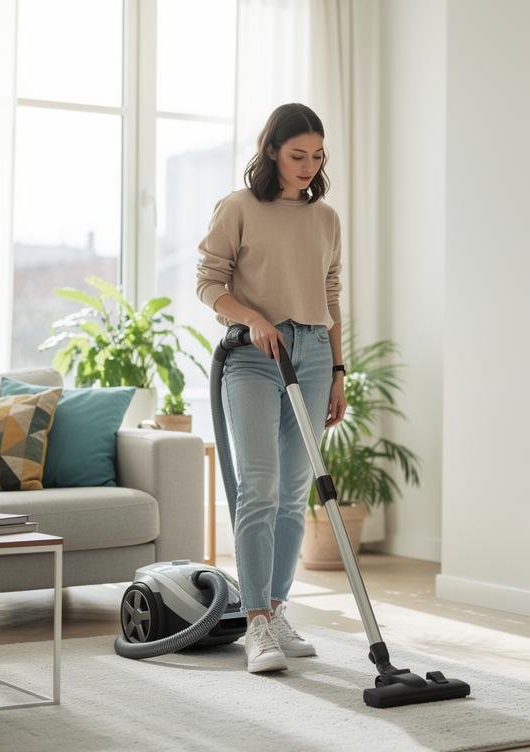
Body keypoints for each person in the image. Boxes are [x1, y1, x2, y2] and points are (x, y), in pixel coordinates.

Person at [196, 103, 348, 673]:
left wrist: (337, 370)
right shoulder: (238, 208)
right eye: (297, 155)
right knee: (257, 486)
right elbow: (209, 283)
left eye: (317, 156)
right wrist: (254, 319)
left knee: (293, 491)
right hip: (254, 356)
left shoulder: (326, 218)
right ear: (272, 153)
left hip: (311, 354)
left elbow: (331, 296)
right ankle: (254, 621)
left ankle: (278, 607)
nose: (308, 166)